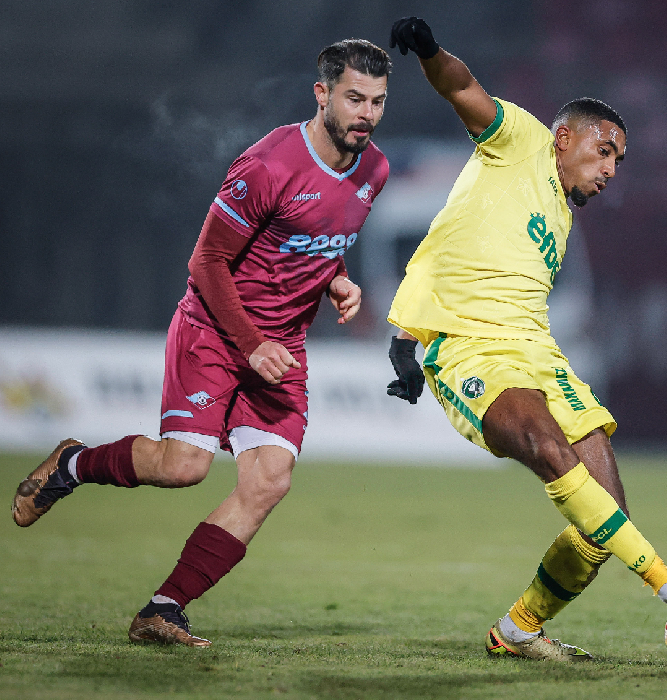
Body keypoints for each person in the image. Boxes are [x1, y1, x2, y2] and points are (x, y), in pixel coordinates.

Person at [11, 39, 393, 647]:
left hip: (282, 348)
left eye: (377, 101)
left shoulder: (375, 170)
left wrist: (337, 281)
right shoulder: (268, 165)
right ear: (322, 94)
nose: (367, 114)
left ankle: (163, 609)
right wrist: (250, 343)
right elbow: (207, 261)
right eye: (354, 99)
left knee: (268, 482)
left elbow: (315, 241)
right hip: (216, 332)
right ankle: (72, 464)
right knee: (183, 466)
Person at [383, 17, 667, 661]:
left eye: (618, 161)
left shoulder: (559, 215)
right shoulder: (521, 140)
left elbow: (463, 246)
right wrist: (430, 51)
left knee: (604, 517)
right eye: (604, 151)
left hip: (539, 354)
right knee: (547, 447)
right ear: (564, 137)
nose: (611, 170)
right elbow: (463, 89)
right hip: (473, 349)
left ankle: (518, 631)